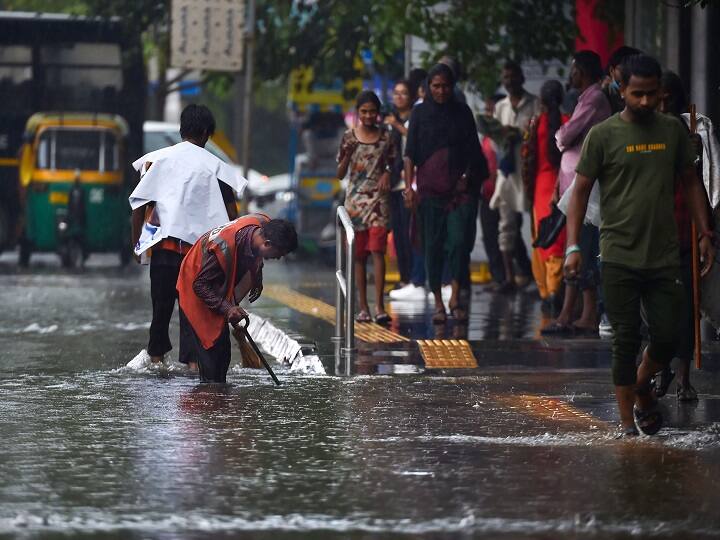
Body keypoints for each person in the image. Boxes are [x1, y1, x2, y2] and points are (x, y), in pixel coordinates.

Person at [564, 54, 714, 437]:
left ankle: (642, 385)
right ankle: (629, 424)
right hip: (618, 255)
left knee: (669, 333)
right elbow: (580, 192)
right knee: (625, 338)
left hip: (664, 254)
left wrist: (704, 233)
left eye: (652, 94)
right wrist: (572, 247)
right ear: (621, 90)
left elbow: (693, 182)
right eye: (637, 94)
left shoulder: (673, 132)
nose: (645, 102)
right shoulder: (603, 135)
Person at [129, 104, 244, 367]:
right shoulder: (215, 167)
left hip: (163, 253)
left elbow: (138, 206)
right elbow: (231, 216)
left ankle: (156, 359)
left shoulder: (157, 160)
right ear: (205, 133)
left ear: (182, 129)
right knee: (193, 314)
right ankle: (193, 367)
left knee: (160, 311)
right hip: (198, 258)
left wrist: (136, 245)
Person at [404, 63, 488, 323]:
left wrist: (466, 177)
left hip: (461, 191)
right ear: (429, 87)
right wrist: (409, 188)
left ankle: (456, 294)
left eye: (446, 86)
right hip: (429, 192)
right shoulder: (419, 115)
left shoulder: (462, 112)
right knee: (433, 246)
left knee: (460, 242)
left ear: (453, 87)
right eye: (436, 86)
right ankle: (439, 302)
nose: (441, 91)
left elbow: (474, 151)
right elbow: (410, 154)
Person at [177, 216, 298, 382]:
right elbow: (200, 285)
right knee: (212, 354)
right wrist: (228, 308)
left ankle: (217, 394)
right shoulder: (225, 246)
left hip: (217, 284)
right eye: (278, 254)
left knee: (223, 353)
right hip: (194, 284)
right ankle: (207, 398)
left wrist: (257, 276)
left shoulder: (263, 224)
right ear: (267, 244)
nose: (277, 259)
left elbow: (255, 257)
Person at [656, 70, 716, 402]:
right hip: (653, 233)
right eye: (658, 96)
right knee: (655, 310)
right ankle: (661, 371)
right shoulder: (646, 132)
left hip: (683, 230)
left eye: (669, 97)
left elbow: (702, 182)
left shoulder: (691, 131)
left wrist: (706, 231)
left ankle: (682, 377)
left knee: (686, 307)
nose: (663, 103)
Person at [543, 50, 611, 336]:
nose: (569, 75)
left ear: (581, 71)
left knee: (583, 248)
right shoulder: (587, 98)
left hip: (588, 190)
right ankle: (572, 313)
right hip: (575, 188)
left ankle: (582, 314)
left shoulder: (593, 99)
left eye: (572, 69)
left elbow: (565, 136)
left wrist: (561, 134)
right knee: (579, 247)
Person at [337, 90, 396, 324]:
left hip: (378, 201)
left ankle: (379, 306)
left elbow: (394, 165)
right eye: (364, 111)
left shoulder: (386, 138)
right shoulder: (348, 137)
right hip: (354, 201)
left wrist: (388, 175)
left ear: (378, 113)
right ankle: (363, 307)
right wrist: (348, 154)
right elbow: (340, 173)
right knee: (359, 255)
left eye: (372, 111)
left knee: (377, 251)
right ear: (358, 113)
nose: (369, 115)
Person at [490, 60, 537, 293]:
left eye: (512, 77)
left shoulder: (534, 104)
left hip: (529, 170)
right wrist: (504, 137)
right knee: (506, 224)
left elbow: (540, 133)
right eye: (505, 78)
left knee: (536, 223)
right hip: (508, 170)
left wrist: (521, 134)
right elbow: (493, 139)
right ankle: (510, 277)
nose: (509, 82)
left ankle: (539, 277)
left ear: (521, 78)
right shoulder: (501, 107)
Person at [524, 80, 568, 312]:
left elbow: (527, 159)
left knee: (542, 238)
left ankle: (545, 290)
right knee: (559, 239)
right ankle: (555, 289)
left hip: (540, 188)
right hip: (562, 186)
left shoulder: (535, 124)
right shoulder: (567, 123)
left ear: (541, 101)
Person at [384, 80, 415, 292]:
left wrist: (396, 125)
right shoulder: (388, 120)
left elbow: (414, 141)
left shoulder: (415, 118)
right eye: (396, 93)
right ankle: (405, 277)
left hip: (411, 182)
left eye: (403, 93)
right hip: (394, 183)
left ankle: (414, 277)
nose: (399, 97)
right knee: (399, 233)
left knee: (411, 233)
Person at [602, 46, 642, 114]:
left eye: (635, 70)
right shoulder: (603, 96)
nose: (630, 74)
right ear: (612, 71)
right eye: (624, 70)